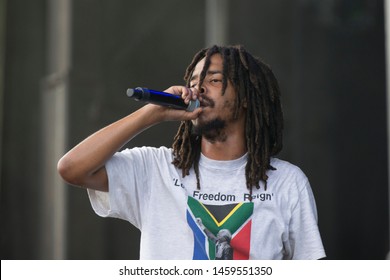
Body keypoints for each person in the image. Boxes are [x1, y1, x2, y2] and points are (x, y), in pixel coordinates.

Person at [57, 44, 326, 260]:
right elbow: (71, 168)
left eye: (214, 79)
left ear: (245, 97)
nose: (198, 88)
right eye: (194, 81)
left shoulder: (287, 182)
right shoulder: (156, 168)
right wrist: (151, 114)